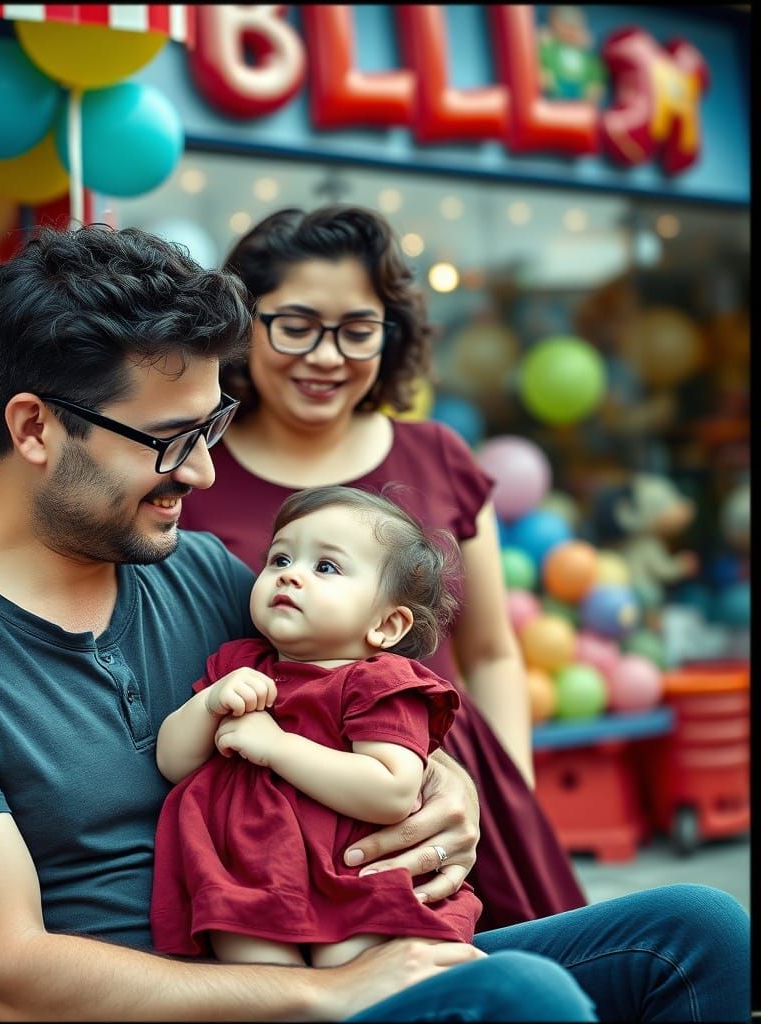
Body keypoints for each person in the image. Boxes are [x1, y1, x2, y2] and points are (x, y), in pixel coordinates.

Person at [0, 224, 748, 1023]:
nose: (207, 474)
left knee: (701, 932)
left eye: (211, 427)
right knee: (524, 1001)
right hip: (232, 1001)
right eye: (171, 442)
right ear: (33, 429)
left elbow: (361, 697)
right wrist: (325, 998)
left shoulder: (204, 574)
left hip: (324, 945)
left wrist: (443, 783)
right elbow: (4, 983)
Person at [178, 204, 584, 930]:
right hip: (269, 818)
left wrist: (492, 794)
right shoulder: (194, 470)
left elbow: (491, 651)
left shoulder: (440, 456)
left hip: (441, 795)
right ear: (245, 324)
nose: (327, 356)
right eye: (295, 325)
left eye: (357, 330)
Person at [152, 486, 483, 964]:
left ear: (386, 626)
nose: (291, 577)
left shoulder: (379, 684)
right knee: (263, 988)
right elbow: (173, 763)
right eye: (280, 559)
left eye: (325, 567)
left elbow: (390, 791)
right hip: (247, 876)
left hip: (352, 881)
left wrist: (275, 746)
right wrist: (208, 705)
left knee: (354, 969)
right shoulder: (239, 667)